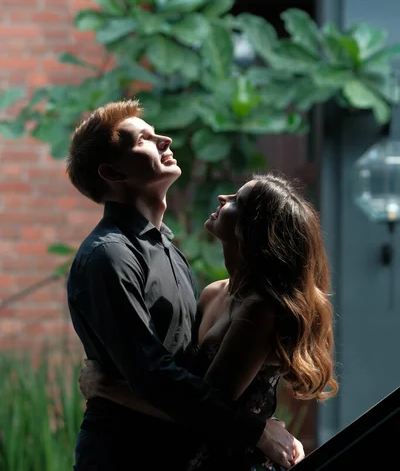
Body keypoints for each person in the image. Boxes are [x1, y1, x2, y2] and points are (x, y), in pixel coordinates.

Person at [66, 99, 304, 471]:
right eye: (144, 139)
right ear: (112, 173)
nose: (165, 139)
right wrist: (254, 431)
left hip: (176, 454)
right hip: (124, 455)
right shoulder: (109, 256)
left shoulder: (168, 249)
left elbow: (196, 377)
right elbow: (156, 377)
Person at [79, 172, 338, 470]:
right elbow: (184, 386)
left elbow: (205, 409)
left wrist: (108, 388)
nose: (222, 198)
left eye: (236, 201)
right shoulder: (214, 292)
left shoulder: (260, 310)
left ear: (253, 229)